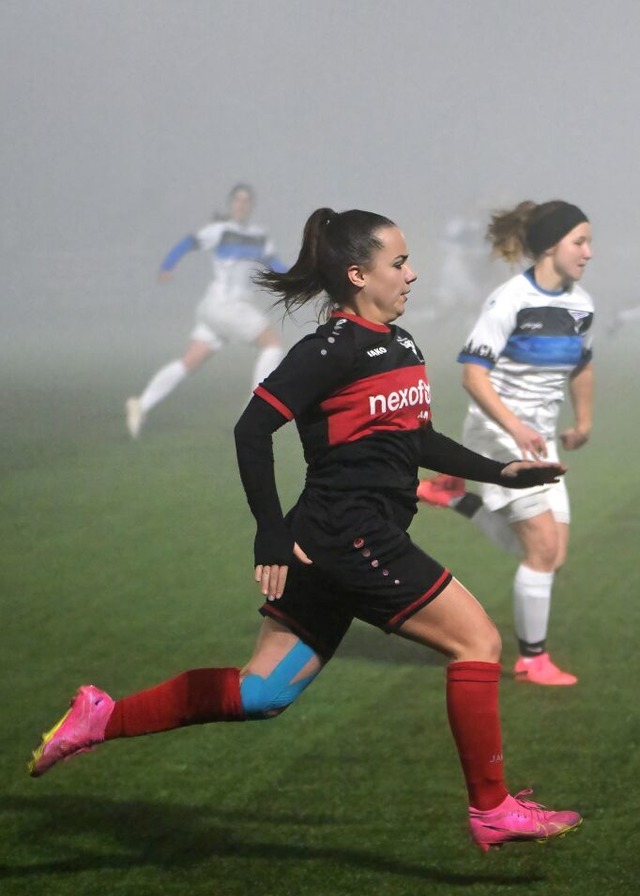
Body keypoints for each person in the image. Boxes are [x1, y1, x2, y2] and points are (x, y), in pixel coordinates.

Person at [29, 207, 582, 851]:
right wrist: (268, 531)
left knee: (261, 692)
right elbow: (251, 429)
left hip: (331, 545)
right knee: (480, 643)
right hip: (350, 539)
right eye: (398, 263)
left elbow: (419, 439)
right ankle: (491, 809)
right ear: (357, 274)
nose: (412, 274)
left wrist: (501, 472)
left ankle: (101, 717)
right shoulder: (328, 351)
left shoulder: (402, 345)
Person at [418, 200, 594, 686]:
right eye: (580, 241)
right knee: (540, 549)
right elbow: (473, 376)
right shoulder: (510, 299)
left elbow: (581, 364)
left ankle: (457, 498)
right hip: (499, 434)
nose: (589, 252)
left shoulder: (581, 304)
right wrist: (515, 428)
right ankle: (532, 659)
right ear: (552, 245)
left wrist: (582, 420)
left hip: (539, 441)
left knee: (551, 554)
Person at [126, 183, 286, 438]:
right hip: (226, 306)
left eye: (246, 201)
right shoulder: (220, 231)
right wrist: (168, 266)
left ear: (251, 206)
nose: (241, 205)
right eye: (237, 200)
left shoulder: (259, 236)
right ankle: (256, 414)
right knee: (273, 344)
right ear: (231, 205)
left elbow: (276, 265)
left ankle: (140, 405)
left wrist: (300, 279)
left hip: (215, 311)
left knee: (190, 361)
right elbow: (188, 243)